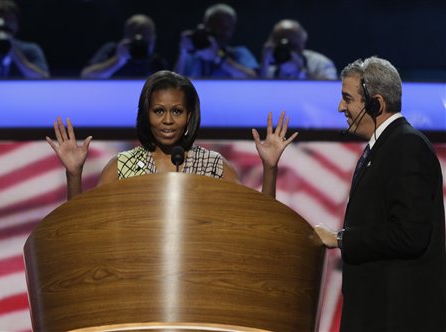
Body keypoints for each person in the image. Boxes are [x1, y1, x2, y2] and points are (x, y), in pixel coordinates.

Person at [314, 56, 446, 331]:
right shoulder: (385, 147)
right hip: (375, 314)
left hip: (395, 318)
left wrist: (341, 239)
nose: (340, 107)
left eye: (347, 98)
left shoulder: (407, 146)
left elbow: (411, 234)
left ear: (376, 103)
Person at [47, 70, 296, 200]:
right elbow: (81, 228)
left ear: (189, 115)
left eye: (177, 111)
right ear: (146, 114)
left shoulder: (215, 167)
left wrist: (269, 167)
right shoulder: (121, 167)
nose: (167, 120)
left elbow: (259, 223)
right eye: (159, 111)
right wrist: (74, 174)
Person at [173, 3, 257, 79]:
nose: (222, 32)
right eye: (216, 26)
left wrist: (218, 57)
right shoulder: (193, 56)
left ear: (232, 29)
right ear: (205, 26)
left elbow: (254, 79)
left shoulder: (239, 53)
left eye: (226, 28)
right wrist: (183, 53)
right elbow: (174, 84)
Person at [81, 14, 168, 79]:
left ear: (153, 39)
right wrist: (118, 61)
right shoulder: (112, 50)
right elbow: (86, 76)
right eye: (135, 34)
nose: (139, 43)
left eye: (145, 35)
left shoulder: (156, 61)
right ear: (126, 36)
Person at [259, 19, 337, 80]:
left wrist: (302, 72)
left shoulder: (320, 63)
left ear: (302, 42)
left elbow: (330, 89)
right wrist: (264, 67)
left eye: (292, 44)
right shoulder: (268, 63)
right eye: (279, 41)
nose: (286, 49)